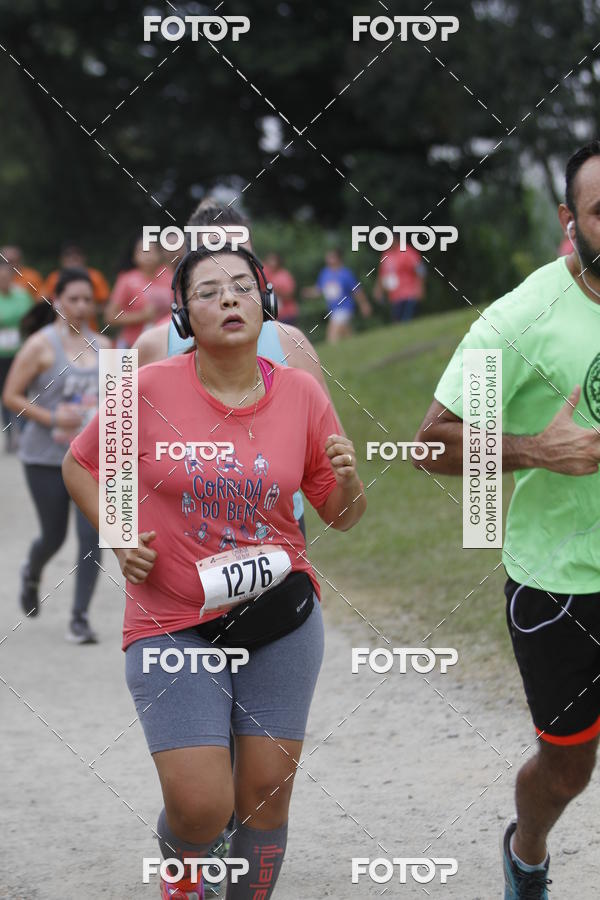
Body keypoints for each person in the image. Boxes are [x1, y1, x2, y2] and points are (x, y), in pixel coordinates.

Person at [63, 242, 366, 899]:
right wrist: (117, 535)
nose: (229, 298)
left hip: (280, 616)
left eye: (241, 287)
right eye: (208, 291)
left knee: (264, 798)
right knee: (202, 807)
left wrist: (350, 483)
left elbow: (340, 515)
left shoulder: (303, 395)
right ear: (181, 314)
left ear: (268, 302)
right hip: (172, 619)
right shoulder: (147, 389)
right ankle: (185, 859)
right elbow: (81, 465)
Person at [414, 141, 600, 900]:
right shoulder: (522, 319)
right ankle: (527, 853)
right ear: (571, 222)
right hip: (557, 585)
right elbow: (433, 444)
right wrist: (535, 450)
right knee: (567, 768)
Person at [3, 268, 110, 643]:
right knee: (54, 535)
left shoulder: (106, 348)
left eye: (87, 300)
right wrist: (51, 417)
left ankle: (79, 618)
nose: (81, 306)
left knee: (92, 536)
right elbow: (11, 396)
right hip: (45, 457)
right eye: (73, 299)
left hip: (90, 462)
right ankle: (32, 571)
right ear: (58, 301)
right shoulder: (40, 345)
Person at [104, 236, 172, 348]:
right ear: (134, 256)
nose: (148, 255)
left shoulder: (169, 276)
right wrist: (142, 316)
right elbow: (110, 317)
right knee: (114, 365)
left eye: (152, 250)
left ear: (160, 254)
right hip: (130, 344)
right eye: (143, 251)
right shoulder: (126, 279)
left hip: (163, 344)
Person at [302, 248, 371, 343]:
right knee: (347, 334)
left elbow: (357, 290)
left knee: (332, 334)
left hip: (344, 308)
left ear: (338, 258)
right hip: (333, 309)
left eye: (332, 257)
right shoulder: (325, 273)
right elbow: (319, 290)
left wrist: (364, 304)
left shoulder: (345, 273)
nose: (328, 259)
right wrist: (309, 292)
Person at [0, 259, 33, 451]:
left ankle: (24, 433)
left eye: (6, 278)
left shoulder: (22, 295)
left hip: (21, 351)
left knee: (22, 392)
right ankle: (9, 434)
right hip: (1, 354)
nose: (3, 281)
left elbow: (31, 319)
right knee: (5, 394)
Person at [43, 244, 111, 324]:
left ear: (83, 259)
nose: (73, 263)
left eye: (76, 259)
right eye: (69, 259)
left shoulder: (94, 276)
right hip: (60, 326)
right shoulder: (54, 278)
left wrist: (89, 309)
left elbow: (106, 304)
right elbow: (44, 300)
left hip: (88, 327)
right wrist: (56, 308)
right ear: (62, 260)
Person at [373, 236, 425, 322]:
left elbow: (420, 270)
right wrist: (378, 290)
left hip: (409, 294)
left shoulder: (408, 252)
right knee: (397, 323)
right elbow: (382, 275)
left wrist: (420, 288)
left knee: (407, 321)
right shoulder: (386, 255)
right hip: (395, 297)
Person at [262, 252, 298, 325]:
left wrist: (276, 291)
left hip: (286, 314)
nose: (270, 262)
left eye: (273, 260)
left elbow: (289, 295)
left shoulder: (284, 276)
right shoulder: (268, 274)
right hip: (273, 316)